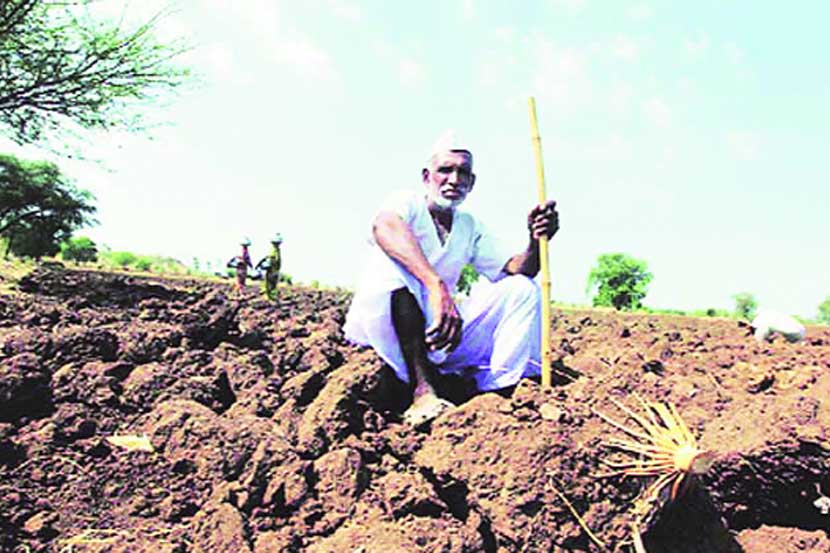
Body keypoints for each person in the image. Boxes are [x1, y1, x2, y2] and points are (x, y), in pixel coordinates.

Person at [343, 131, 560, 426]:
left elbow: (514, 269)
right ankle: (422, 392)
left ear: (471, 183)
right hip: (385, 329)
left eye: (463, 173)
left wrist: (536, 240)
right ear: (426, 176)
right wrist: (435, 285)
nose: (454, 179)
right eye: (445, 170)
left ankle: (499, 389)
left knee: (522, 288)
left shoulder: (469, 225)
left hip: (438, 332)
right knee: (392, 265)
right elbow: (385, 226)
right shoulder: (406, 203)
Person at [256, 234, 283, 300]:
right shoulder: (274, 251)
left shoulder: (275, 250)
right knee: (271, 285)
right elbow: (273, 261)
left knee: (271, 285)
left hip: (273, 270)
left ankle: (271, 297)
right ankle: (269, 298)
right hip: (272, 270)